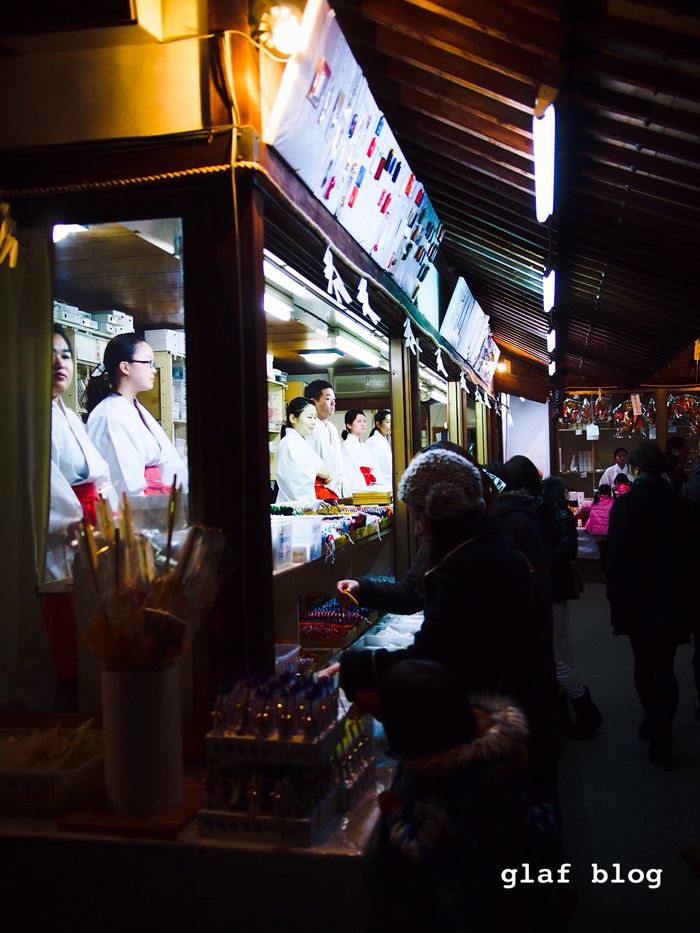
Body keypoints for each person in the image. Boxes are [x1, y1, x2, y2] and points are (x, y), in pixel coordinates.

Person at [339, 449, 546, 775]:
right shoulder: (479, 546)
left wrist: (349, 669)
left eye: (420, 516)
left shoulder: (468, 564)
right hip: (510, 715)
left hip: (491, 734)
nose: (418, 529)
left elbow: (433, 657)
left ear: (442, 510)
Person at [369, 658, 549, 933]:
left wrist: (394, 813)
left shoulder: (443, 780)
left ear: (407, 730)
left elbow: (428, 856)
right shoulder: (494, 750)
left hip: (464, 905)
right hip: (507, 884)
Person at [606, 441, 697, 769]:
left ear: (636, 468)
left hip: (635, 598)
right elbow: (689, 559)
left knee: (642, 664)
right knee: (666, 669)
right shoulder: (678, 505)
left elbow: (616, 560)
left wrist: (615, 598)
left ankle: (651, 720)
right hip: (671, 598)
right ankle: (663, 735)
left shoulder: (626, 506)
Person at [506, 456, 603, 740]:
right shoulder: (534, 504)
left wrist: (540, 567)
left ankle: (586, 708)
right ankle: (566, 714)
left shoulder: (545, 503)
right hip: (546, 587)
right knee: (546, 654)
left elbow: (566, 547)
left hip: (552, 589)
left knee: (551, 656)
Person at [44, 325, 117, 682]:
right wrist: (75, 520)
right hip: (65, 531)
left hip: (92, 522)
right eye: (50, 354)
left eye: (66, 355)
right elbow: (42, 480)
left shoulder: (70, 415)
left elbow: (100, 475)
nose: (60, 363)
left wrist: (109, 513)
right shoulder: (31, 417)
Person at [84, 332, 188, 497]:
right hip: (136, 510)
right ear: (125, 367)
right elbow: (124, 486)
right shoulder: (110, 416)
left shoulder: (133, 408)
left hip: (160, 501)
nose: (153, 369)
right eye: (148, 362)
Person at [274, 396, 333, 503]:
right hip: (296, 505)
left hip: (311, 499)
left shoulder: (302, 442)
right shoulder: (289, 442)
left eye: (315, 418)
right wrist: (316, 472)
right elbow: (292, 479)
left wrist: (324, 476)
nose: (314, 422)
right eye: (309, 417)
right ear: (293, 418)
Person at [304, 379, 346, 497]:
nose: (333, 403)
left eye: (334, 400)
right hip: (319, 491)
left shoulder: (332, 427)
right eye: (328, 399)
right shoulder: (310, 427)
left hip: (336, 490)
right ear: (313, 402)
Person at [341, 408, 377, 491]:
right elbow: (350, 471)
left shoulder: (365, 446)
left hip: (368, 483)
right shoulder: (346, 445)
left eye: (364, 421)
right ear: (349, 425)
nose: (363, 424)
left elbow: (373, 468)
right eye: (359, 421)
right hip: (356, 486)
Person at [584, 483, 614, 575]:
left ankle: (603, 573)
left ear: (599, 493)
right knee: (610, 553)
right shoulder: (613, 502)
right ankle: (610, 572)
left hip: (598, 532)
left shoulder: (595, 502)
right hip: (610, 532)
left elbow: (584, 508)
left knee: (602, 553)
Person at [364, 409, 392, 485]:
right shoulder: (373, 441)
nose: (391, 424)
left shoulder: (384, 439)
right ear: (378, 424)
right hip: (379, 483)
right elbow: (370, 465)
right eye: (388, 422)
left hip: (387, 482)